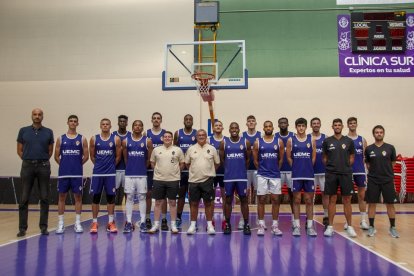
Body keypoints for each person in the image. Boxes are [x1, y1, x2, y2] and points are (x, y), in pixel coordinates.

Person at [17, 108, 54, 237]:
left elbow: (50, 152)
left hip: (43, 166)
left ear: (42, 116)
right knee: (24, 198)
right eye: (35, 114)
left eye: (39, 114)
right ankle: (22, 228)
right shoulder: (23, 131)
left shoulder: (49, 132)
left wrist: (41, 161)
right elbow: (20, 150)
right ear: (31, 116)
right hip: (27, 166)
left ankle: (43, 227)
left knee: (44, 197)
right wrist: (29, 160)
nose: (37, 116)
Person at [54, 115, 89, 234]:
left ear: (77, 123)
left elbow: (86, 156)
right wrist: (64, 165)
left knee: (78, 197)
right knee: (61, 197)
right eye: (71, 121)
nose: (73, 123)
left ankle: (78, 223)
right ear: (67, 123)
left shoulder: (82, 138)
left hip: (77, 174)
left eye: (75, 121)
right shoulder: (60, 138)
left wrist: (77, 165)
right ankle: (61, 223)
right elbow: (56, 156)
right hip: (63, 174)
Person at [322, 118, 356, 238]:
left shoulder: (349, 141)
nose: (337, 127)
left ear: (342, 127)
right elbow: (325, 158)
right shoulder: (327, 141)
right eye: (335, 125)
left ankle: (350, 226)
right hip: (331, 173)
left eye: (339, 125)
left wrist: (345, 166)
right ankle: (330, 227)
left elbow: (352, 156)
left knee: (347, 200)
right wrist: (332, 167)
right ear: (332, 127)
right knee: (332, 199)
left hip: (345, 173)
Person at [365, 125, 399, 238]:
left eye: (380, 132)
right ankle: (371, 227)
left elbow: (393, 163)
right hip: (373, 180)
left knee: (390, 204)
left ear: (383, 134)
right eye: (376, 132)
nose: (379, 134)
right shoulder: (369, 149)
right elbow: (368, 164)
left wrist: (386, 172)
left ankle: (392, 227)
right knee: (371, 204)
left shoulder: (390, 148)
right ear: (373, 134)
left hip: (387, 180)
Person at [147, 131, 185, 234]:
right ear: (162, 138)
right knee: (158, 202)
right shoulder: (156, 150)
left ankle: (173, 225)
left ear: (172, 138)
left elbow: (182, 164)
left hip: (173, 180)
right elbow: (152, 162)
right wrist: (159, 171)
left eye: (169, 137)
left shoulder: (178, 150)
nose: (167, 138)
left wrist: (175, 172)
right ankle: (155, 225)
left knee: (172, 202)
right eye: (165, 137)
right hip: (159, 180)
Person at [89, 118, 122, 234]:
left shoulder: (116, 139)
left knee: (110, 198)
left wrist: (111, 166)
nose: (105, 126)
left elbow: (118, 156)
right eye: (103, 124)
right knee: (96, 198)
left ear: (110, 126)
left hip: (110, 173)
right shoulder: (94, 139)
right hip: (97, 173)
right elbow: (92, 156)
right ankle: (94, 222)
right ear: (100, 125)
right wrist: (99, 166)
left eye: (107, 124)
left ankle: (110, 222)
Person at [185, 129, 220, 235]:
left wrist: (208, 171)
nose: (201, 136)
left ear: (206, 136)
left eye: (203, 135)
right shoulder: (191, 149)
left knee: (208, 203)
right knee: (194, 203)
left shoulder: (212, 148)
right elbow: (187, 164)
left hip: (207, 181)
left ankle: (210, 225)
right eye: (199, 135)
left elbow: (217, 164)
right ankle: (192, 225)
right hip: (193, 181)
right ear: (196, 137)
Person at [219, 122, 251, 235]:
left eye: (236, 128)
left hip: (241, 176)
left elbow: (247, 159)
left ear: (239, 129)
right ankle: (227, 224)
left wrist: (241, 168)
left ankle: (246, 224)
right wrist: (229, 168)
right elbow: (222, 159)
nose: (234, 129)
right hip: (229, 177)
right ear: (229, 129)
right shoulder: (224, 142)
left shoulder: (245, 142)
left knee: (243, 200)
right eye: (232, 128)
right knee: (228, 200)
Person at [253, 120, 284, 236]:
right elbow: (255, 160)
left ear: (273, 128)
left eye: (270, 126)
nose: (268, 128)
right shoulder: (258, 142)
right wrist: (262, 170)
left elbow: (281, 159)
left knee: (276, 200)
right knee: (261, 200)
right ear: (263, 128)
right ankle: (261, 224)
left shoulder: (279, 141)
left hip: (275, 175)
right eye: (266, 126)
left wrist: (276, 169)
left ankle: (275, 225)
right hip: (262, 175)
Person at [286, 118, 317, 236]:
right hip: (296, 175)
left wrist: (308, 167)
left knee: (309, 201)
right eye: (299, 126)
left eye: (303, 126)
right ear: (296, 127)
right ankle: (297, 226)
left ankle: (309, 226)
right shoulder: (291, 140)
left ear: (306, 127)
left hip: (308, 175)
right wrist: (295, 167)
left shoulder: (311, 140)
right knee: (297, 200)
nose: (301, 128)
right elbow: (289, 157)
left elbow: (313, 157)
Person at [122, 120, 153, 233]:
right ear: (132, 127)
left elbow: (149, 159)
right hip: (129, 174)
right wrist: (131, 167)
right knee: (129, 198)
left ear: (142, 127)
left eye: (140, 125)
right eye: (135, 125)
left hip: (142, 175)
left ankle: (143, 222)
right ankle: (129, 223)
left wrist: (142, 167)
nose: (137, 127)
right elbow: (125, 158)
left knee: (142, 198)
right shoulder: (126, 141)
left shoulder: (147, 141)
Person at [174, 114, 197, 228]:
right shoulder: (178, 133)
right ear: (183, 121)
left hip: (193, 171)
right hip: (182, 171)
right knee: (181, 195)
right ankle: (178, 218)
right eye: (186, 119)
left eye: (190, 119)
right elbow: (174, 150)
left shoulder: (196, 133)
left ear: (192, 121)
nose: (188, 121)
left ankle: (194, 222)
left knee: (193, 197)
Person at [145, 112, 166, 230]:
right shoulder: (146, 133)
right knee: (148, 194)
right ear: (151, 120)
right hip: (149, 169)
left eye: (158, 118)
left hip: (162, 169)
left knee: (163, 196)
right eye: (154, 118)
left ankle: (163, 219)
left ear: (161, 120)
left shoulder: (165, 134)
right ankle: (148, 218)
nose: (156, 120)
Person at [347, 117, 369, 230]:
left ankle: (363, 220)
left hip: (360, 171)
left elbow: (366, 156)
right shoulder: (344, 139)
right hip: (348, 171)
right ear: (348, 125)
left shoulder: (362, 139)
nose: (352, 125)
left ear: (356, 124)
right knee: (348, 197)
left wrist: (366, 169)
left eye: (354, 123)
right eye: (350, 123)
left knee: (362, 196)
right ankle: (348, 221)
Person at [240, 115, 261, 229]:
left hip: (258, 170)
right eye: (249, 121)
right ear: (246, 124)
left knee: (259, 194)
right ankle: (243, 220)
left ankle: (259, 219)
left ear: (255, 123)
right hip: (246, 170)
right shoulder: (242, 136)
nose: (251, 123)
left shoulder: (260, 136)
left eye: (253, 121)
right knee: (244, 195)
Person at [274, 117, 295, 226]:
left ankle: (293, 218)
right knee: (277, 196)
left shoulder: (293, 136)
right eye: (281, 122)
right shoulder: (275, 137)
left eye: (284, 123)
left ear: (288, 124)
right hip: (279, 171)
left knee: (292, 195)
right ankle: (275, 220)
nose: (283, 124)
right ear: (278, 125)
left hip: (291, 171)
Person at [310, 117, 329, 227]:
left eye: (318, 123)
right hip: (311, 172)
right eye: (314, 123)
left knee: (325, 195)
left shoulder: (325, 138)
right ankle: (310, 216)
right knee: (310, 196)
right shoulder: (308, 138)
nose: (316, 125)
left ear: (320, 125)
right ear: (311, 125)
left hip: (323, 171)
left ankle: (326, 216)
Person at [208, 120, 226, 229]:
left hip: (224, 172)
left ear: (222, 128)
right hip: (212, 172)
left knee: (225, 197)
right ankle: (211, 220)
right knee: (211, 198)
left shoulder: (227, 140)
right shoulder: (208, 141)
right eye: (216, 126)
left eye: (220, 125)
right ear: (213, 129)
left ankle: (225, 219)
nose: (218, 127)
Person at [113, 115, 131, 205]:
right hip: (115, 168)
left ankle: (128, 209)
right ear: (118, 122)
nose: (122, 123)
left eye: (124, 121)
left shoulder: (131, 135)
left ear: (127, 123)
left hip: (127, 168)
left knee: (127, 191)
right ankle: (112, 212)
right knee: (113, 191)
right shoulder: (113, 135)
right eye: (121, 121)